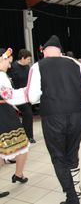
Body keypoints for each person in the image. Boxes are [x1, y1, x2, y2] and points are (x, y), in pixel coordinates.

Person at [26, 35, 81, 204]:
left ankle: (72, 196)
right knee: (72, 153)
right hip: (77, 116)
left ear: (45, 51)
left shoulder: (38, 66)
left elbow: (32, 97)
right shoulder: (76, 63)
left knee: (58, 156)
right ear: (60, 51)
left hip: (53, 117)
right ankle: (76, 188)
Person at [0, 48, 30, 198]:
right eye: (8, 62)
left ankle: (19, 174)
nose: (9, 66)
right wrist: (28, 92)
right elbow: (9, 96)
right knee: (22, 145)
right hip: (3, 115)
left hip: (5, 112)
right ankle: (18, 174)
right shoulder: (1, 76)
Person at [7, 49, 35, 143]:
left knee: (28, 115)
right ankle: (27, 136)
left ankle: (28, 136)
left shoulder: (27, 67)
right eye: (28, 59)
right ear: (22, 58)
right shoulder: (12, 67)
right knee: (28, 114)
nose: (29, 61)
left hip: (26, 95)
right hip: (17, 96)